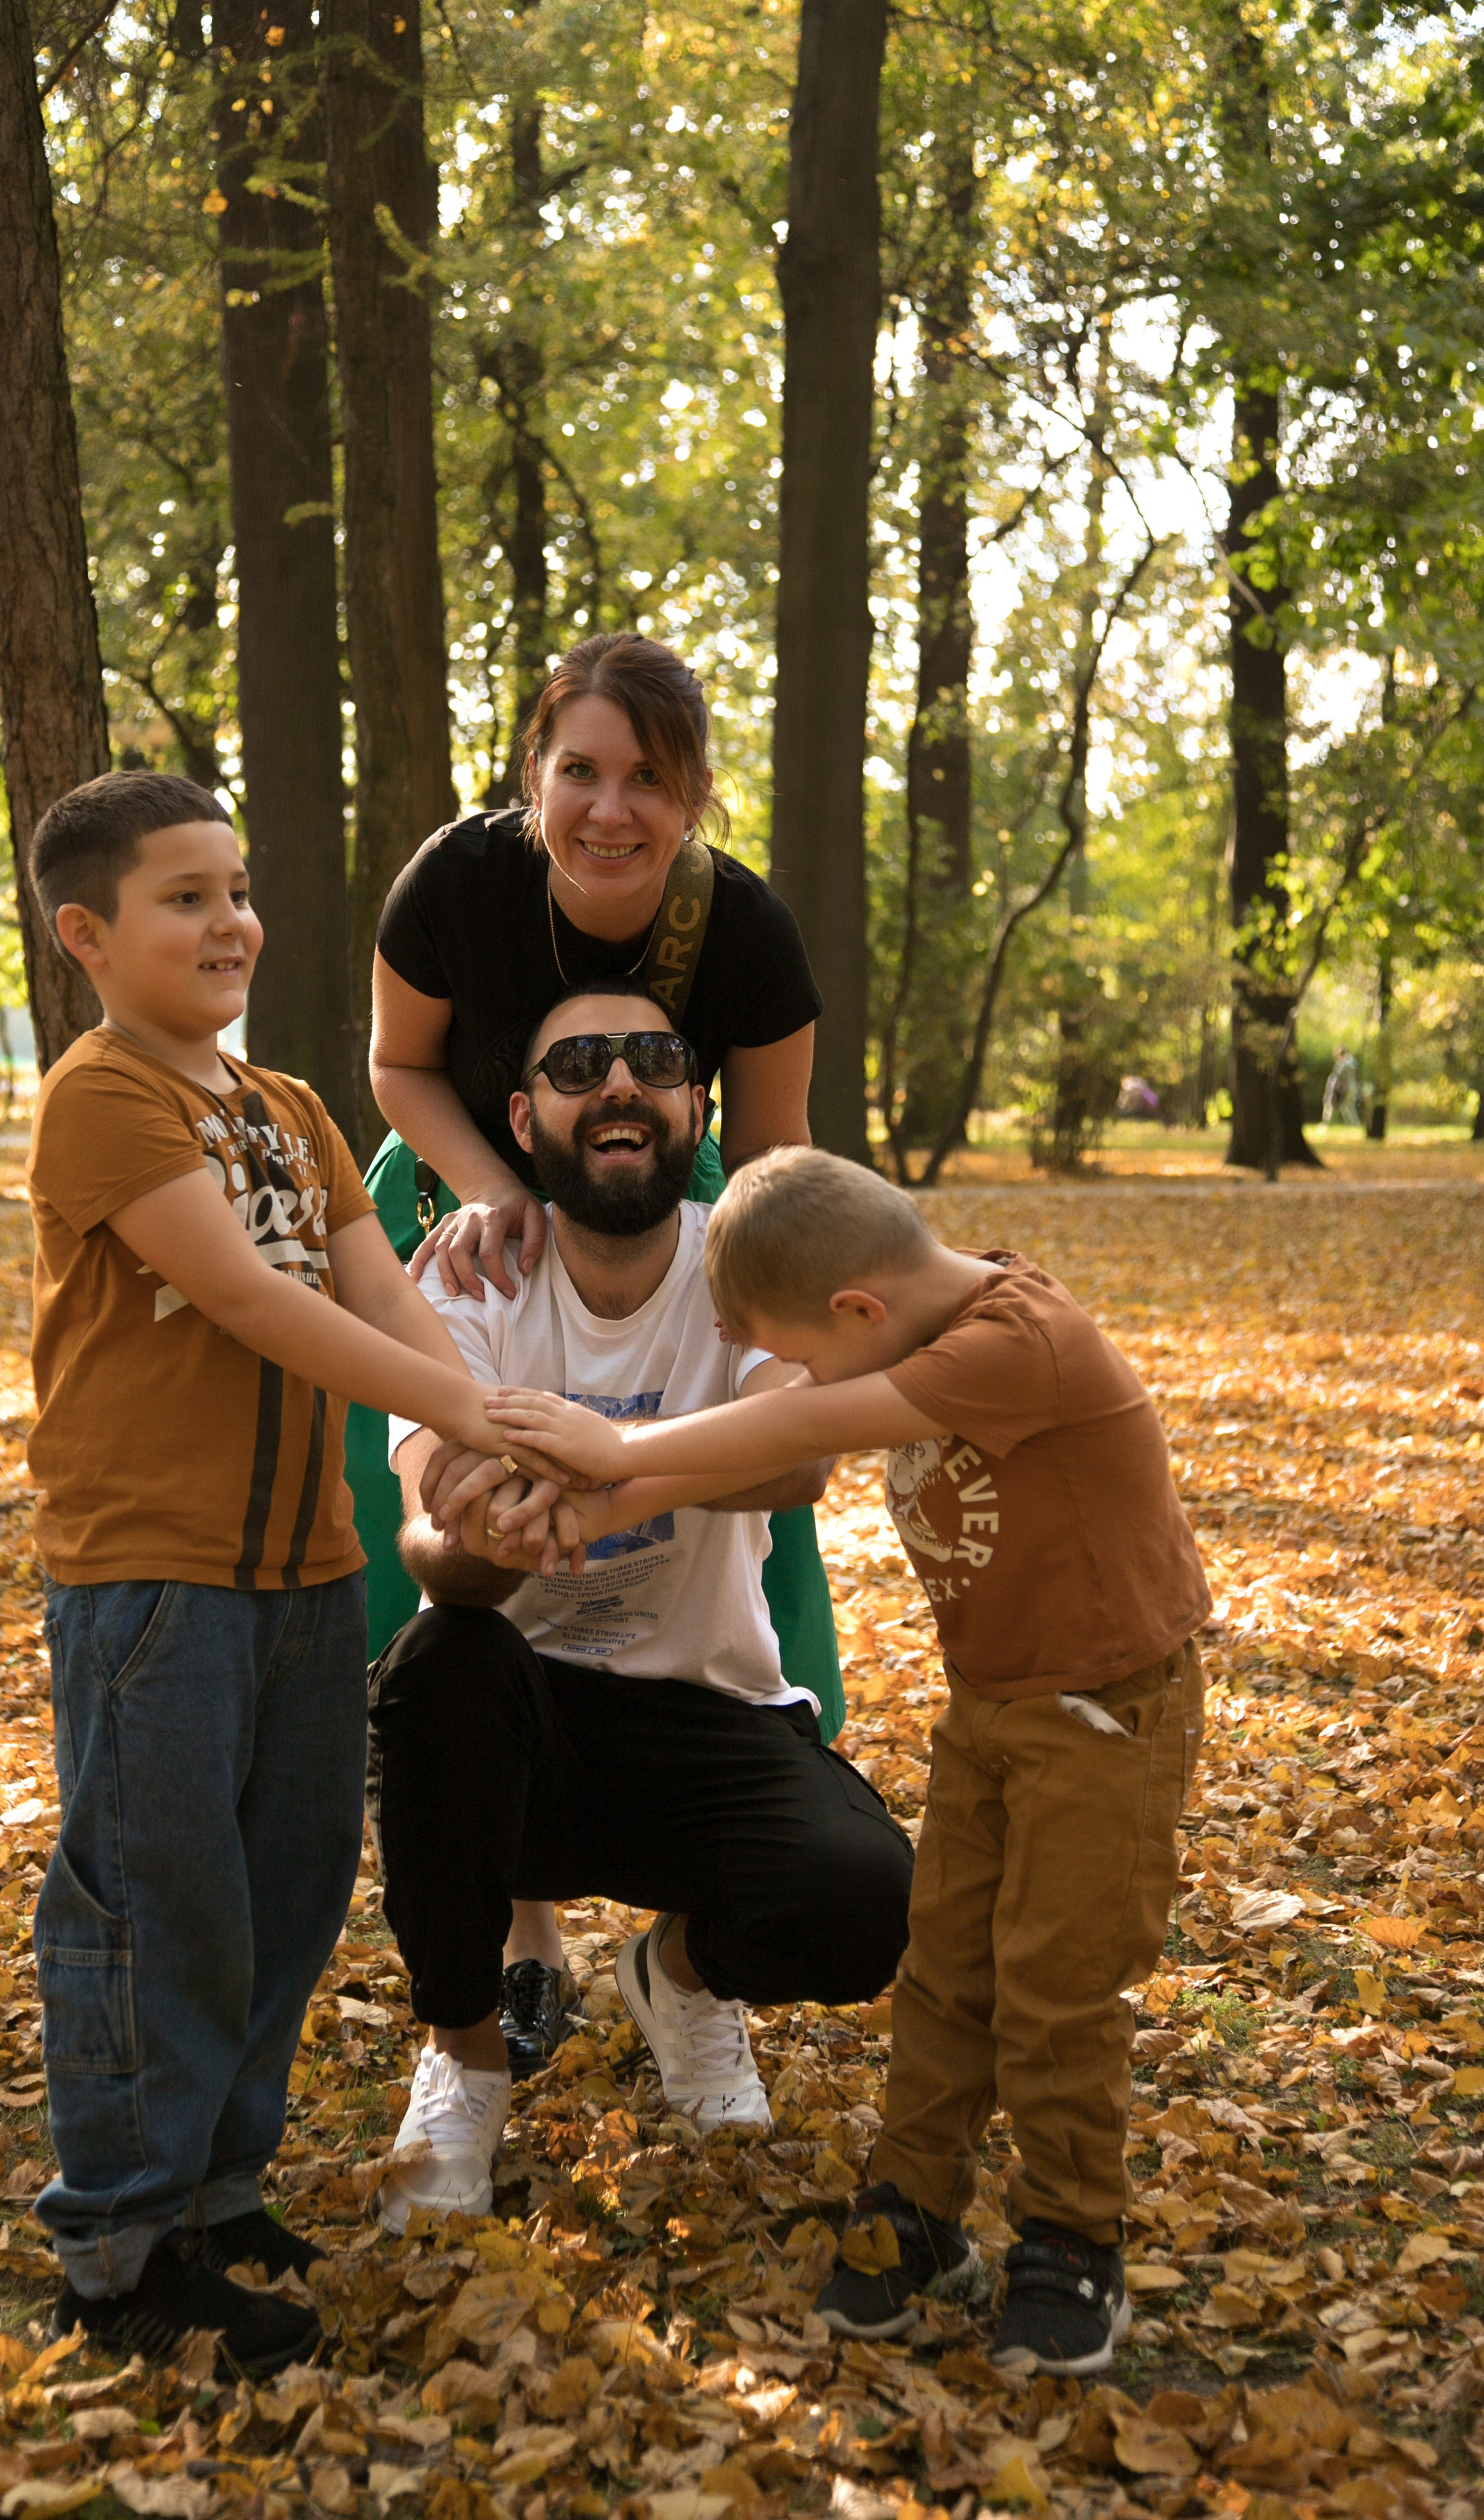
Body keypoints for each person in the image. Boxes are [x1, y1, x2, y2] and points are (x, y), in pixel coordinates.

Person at [484, 1144, 1210, 2377]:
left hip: (1106, 1716)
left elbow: (814, 1421)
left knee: (1054, 1986)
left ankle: (1073, 2238)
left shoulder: (1013, 1342)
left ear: (861, 1313)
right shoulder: (917, 1324)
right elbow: (800, 1413)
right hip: (992, 1707)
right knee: (943, 1965)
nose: (803, 1375)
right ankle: (917, 2207)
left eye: (806, 1348)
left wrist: (617, 1449)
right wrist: (607, 1506)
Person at [23, 772, 527, 2375]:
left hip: (305, 1573)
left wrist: (479, 1441)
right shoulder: (103, 1097)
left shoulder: (297, 1109)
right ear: (88, 934)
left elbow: (382, 1298)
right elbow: (246, 1296)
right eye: (184, 896)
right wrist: (467, 1408)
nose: (229, 919)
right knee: (154, 1904)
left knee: (283, 1896)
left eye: (236, 888)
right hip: (151, 1583)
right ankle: (119, 2247)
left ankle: (218, 2193)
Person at [357, 628, 845, 2072]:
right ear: (533, 774)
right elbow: (395, 1065)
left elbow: (771, 1157)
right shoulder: (453, 881)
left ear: (690, 795)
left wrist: (762, 1335)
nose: (609, 809)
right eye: (579, 769)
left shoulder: (743, 933)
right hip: (471, 1192)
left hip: (678, 1209)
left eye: (648, 776)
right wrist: (492, 1199)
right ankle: (516, 1938)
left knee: (746, 1519)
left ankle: (717, 1888)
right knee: (459, 1541)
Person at [369, 987, 914, 2232]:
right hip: (524, 1735)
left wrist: (600, 1472)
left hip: (708, 1713)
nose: (620, 1082)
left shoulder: (747, 1256)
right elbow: (424, 1529)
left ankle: (677, 1979)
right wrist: (486, 1542)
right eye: (578, 1063)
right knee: (436, 1660)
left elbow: (798, 1457)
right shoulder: (468, 1283)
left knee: (865, 1899)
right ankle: (465, 2061)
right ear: (524, 1114)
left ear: (695, 1103)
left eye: (657, 1057)